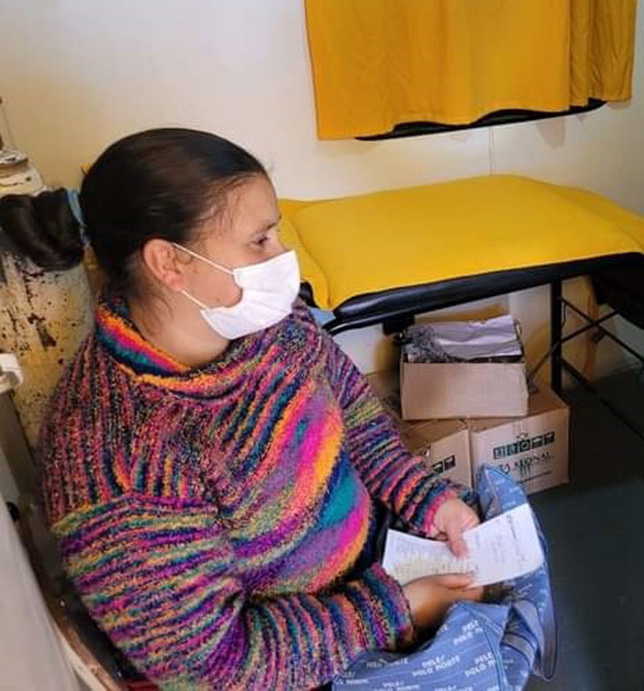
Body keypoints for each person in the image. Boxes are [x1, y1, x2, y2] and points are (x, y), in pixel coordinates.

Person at [0, 128, 486, 689]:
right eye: (260, 241)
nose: (282, 259)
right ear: (168, 262)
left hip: (378, 570)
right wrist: (392, 610)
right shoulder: (114, 456)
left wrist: (424, 499)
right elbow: (215, 667)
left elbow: (357, 420)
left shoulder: (275, 326)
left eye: (276, 233)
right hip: (305, 662)